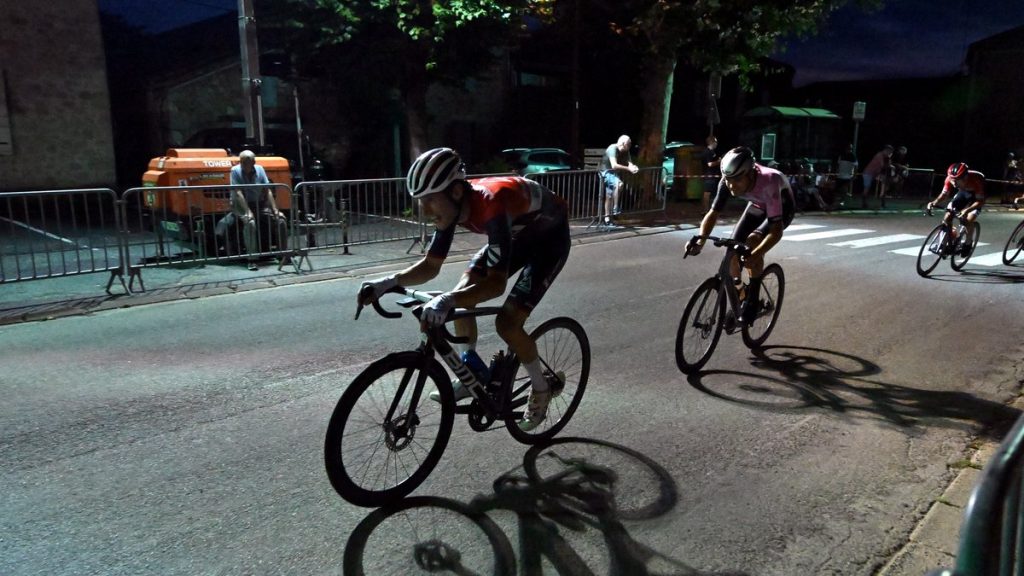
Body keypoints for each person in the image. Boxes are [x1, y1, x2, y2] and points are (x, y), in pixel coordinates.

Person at [357, 147, 571, 431]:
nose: (424, 210)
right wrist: (388, 282)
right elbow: (431, 265)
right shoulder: (450, 208)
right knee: (462, 291)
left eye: (430, 200)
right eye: (421, 201)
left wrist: (446, 300)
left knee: (507, 323)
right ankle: (471, 369)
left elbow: (495, 285)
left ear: (456, 192)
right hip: (520, 234)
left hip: (549, 241)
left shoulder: (491, 204)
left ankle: (542, 388)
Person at [685, 146, 796, 326]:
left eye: (736, 181)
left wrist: (756, 254)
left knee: (753, 242)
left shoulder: (770, 180)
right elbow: (713, 214)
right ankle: (741, 291)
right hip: (758, 205)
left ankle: (752, 299)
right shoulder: (728, 180)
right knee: (732, 252)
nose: (731, 185)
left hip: (782, 208)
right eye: (728, 180)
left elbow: (776, 232)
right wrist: (701, 239)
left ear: (750, 174)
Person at [215, 149, 287, 271]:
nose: (245, 165)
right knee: (250, 223)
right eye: (243, 162)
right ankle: (252, 258)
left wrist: (274, 209)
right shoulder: (235, 171)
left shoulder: (260, 169)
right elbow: (238, 192)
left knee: (281, 220)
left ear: (253, 162)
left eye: (248, 162)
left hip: (259, 204)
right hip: (240, 205)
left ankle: (283, 255)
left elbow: (267, 189)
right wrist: (247, 211)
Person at [927, 162, 986, 254]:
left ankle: (968, 243)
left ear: (965, 177)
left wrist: (967, 210)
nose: (954, 182)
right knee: (947, 216)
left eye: (957, 180)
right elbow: (944, 194)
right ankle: (945, 243)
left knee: (967, 220)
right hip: (963, 193)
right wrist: (934, 202)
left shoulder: (975, 181)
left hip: (976, 198)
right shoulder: (949, 179)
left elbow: (980, 201)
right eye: (952, 179)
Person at [598, 135, 639, 226]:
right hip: (605, 171)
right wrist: (628, 169)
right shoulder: (613, 148)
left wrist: (633, 167)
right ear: (624, 144)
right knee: (619, 184)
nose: (630, 146)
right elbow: (614, 165)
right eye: (629, 144)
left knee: (609, 195)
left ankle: (607, 217)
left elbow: (630, 163)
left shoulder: (626, 151)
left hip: (614, 173)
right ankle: (616, 208)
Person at [862, 144, 893, 209]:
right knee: (867, 188)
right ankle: (864, 203)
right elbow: (882, 166)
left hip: (875, 173)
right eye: (889, 152)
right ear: (886, 150)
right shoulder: (879, 155)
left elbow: (886, 166)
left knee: (885, 183)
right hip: (868, 173)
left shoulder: (885, 157)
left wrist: (889, 160)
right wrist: (889, 163)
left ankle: (883, 203)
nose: (890, 153)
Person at [701, 135, 721, 211]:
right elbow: (709, 164)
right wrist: (718, 162)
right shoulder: (707, 152)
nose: (716, 143)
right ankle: (705, 210)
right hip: (709, 175)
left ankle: (707, 209)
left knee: (709, 193)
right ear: (712, 142)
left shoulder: (712, 152)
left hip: (712, 175)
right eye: (715, 142)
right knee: (707, 193)